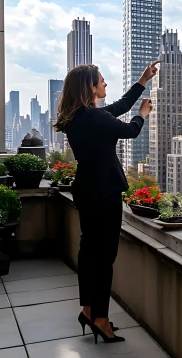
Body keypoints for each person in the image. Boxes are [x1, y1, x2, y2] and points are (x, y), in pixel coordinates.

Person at [53, 61, 159, 344]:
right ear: (90, 87)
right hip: (104, 192)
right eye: (101, 81)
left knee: (88, 252)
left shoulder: (78, 116)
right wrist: (143, 115)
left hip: (86, 190)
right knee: (105, 258)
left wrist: (142, 80)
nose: (105, 84)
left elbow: (120, 105)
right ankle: (100, 318)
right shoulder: (95, 118)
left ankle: (88, 310)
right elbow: (130, 130)